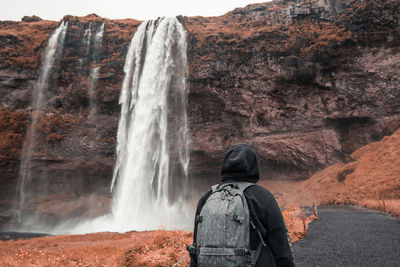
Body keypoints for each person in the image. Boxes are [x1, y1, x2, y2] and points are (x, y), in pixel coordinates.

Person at [189, 143, 295, 267]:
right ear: (253, 166)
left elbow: (196, 246)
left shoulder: (207, 197)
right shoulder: (262, 197)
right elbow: (281, 245)